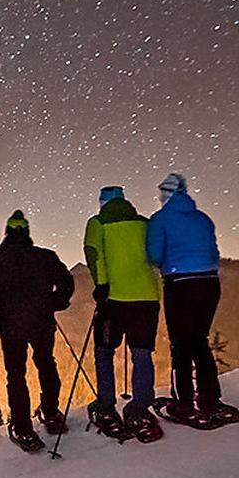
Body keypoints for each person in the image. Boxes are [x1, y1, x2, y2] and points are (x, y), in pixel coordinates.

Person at [0, 210, 75, 452]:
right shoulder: (45, 257)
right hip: (42, 321)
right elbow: (67, 282)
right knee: (46, 363)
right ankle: (50, 413)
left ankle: (22, 426)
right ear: (27, 233)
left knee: (16, 375)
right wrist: (55, 303)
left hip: (10, 325)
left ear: (7, 233)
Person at [147, 173, 239, 424]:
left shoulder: (160, 220)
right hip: (210, 283)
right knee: (199, 341)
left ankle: (184, 403)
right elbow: (214, 253)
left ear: (166, 194)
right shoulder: (203, 219)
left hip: (180, 284)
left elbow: (155, 254)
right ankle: (210, 400)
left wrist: (165, 265)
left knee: (180, 344)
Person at [83, 186, 163, 442]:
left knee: (104, 351)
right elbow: (156, 255)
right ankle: (139, 409)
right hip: (147, 298)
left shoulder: (97, 223)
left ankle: (106, 405)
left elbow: (93, 254)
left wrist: (102, 285)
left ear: (103, 203)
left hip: (114, 300)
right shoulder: (144, 223)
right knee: (141, 354)